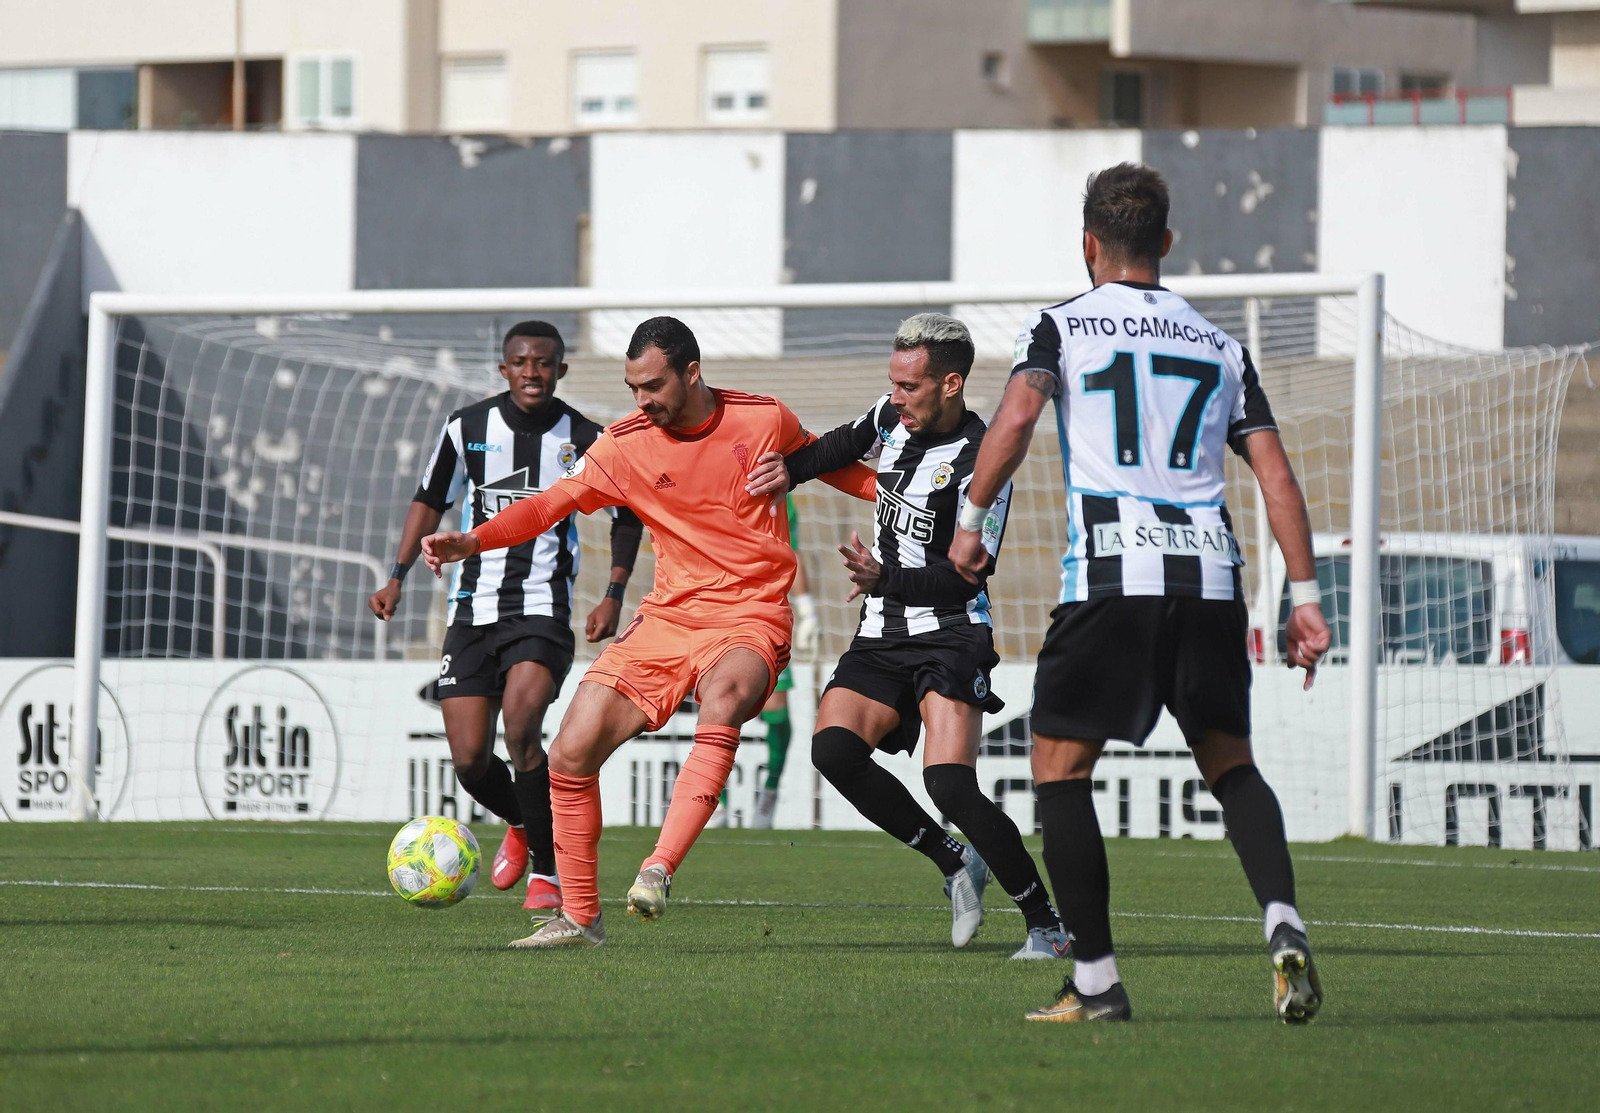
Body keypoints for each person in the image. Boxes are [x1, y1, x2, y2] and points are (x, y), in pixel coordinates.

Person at [950, 163, 1332, 1023]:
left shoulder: (1060, 327)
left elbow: (1013, 420)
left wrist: (972, 518)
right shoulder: (1221, 345)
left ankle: (1096, 983)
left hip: (1115, 571)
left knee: (1059, 768)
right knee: (1231, 762)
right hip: (1210, 576)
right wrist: (1303, 596)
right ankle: (1282, 921)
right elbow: (1274, 473)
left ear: (1088, 244)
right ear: (1165, 242)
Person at [421, 316, 876, 948]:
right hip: (666, 618)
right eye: (633, 387)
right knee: (570, 751)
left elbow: (836, 466)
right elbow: (547, 504)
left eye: (653, 386)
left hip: (751, 612)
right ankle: (580, 919)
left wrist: (911, 505)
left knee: (723, 701)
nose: (642, 400)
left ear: (692, 373)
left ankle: (658, 868)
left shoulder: (763, 416)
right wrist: (473, 538)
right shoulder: (624, 442)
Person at [745, 313, 1069, 959]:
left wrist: (884, 576)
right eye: (892, 383)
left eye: (910, 386)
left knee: (951, 784)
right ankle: (952, 860)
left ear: (951, 383)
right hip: (882, 632)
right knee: (833, 751)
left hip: (952, 632)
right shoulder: (893, 416)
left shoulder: (984, 461)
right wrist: (793, 468)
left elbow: (962, 578)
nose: (897, 396)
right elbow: (844, 440)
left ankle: (1048, 926)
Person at [368, 320, 642, 913]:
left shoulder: (587, 436)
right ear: (503, 369)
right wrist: (397, 575)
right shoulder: (466, 428)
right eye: (520, 362)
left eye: (544, 363)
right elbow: (428, 500)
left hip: (543, 610)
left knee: (522, 727)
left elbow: (627, 514)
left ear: (561, 370)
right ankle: (524, 821)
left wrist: (614, 592)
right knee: (469, 761)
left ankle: (548, 871)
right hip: (470, 612)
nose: (532, 372)